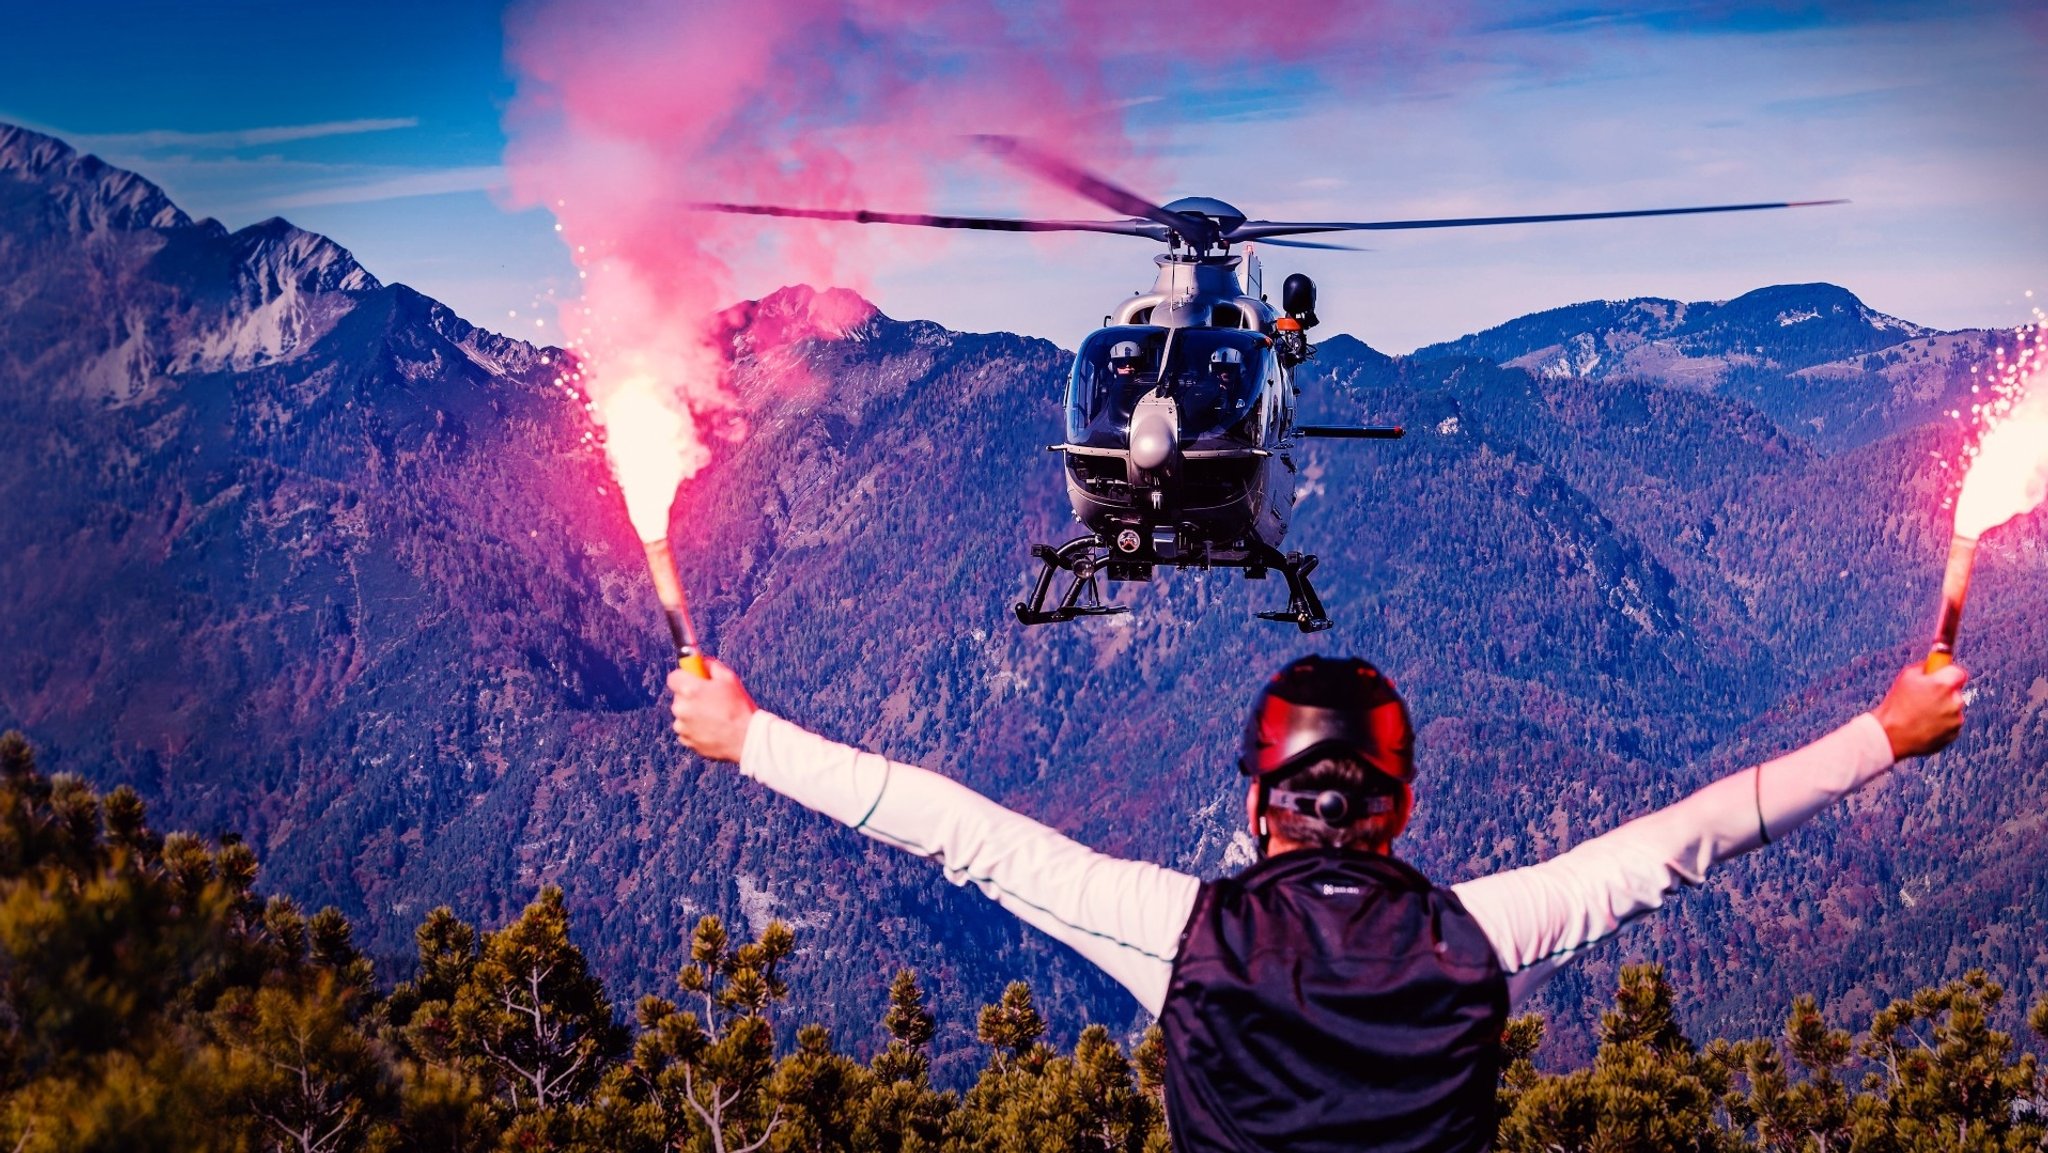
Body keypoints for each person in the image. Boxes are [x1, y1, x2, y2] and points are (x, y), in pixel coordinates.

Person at [668, 654, 1965, 1152]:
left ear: (1254, 805)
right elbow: (1683, 845)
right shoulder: (1479, 937)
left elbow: (954, 829)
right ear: (1399, 806)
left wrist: (745, 735)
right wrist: (1885, 733)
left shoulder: (1178, 934)